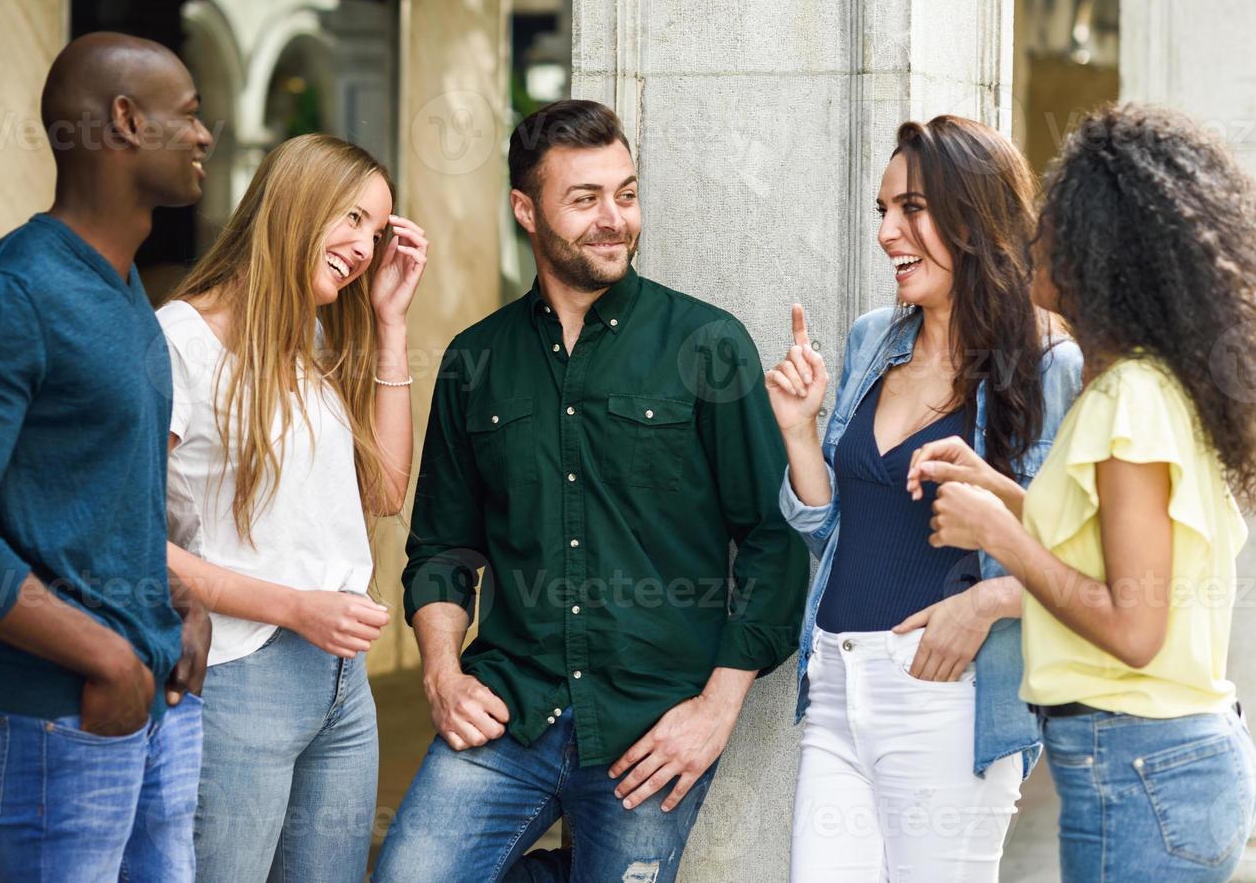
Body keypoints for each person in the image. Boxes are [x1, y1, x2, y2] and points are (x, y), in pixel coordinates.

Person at [372, 99, 809, 883]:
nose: (614, 219)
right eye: (585, 199)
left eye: (626, 193)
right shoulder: (476, 360)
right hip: (509, 709)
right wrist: (442, 675)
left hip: (652, 729)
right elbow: (441, 549)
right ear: (525, 210)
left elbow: (773, 539)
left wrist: (716, 709)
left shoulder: (706, 344)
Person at [0, 32, 215, 882]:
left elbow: (93, 490)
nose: (205, 136)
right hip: (61, 713)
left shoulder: (121, 283)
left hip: (152, 695)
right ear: (126, 122)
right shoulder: (15, 292)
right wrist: (100, 655)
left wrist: (180, 599)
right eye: (189, 116)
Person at [918, 103, 1256, 882]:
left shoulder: (1126, 403)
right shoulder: (1153, 388)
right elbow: (1103, 545)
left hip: (1135, 763)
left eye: (1057, 221)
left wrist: (995, 538)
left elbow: (1133, 625)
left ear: (1105, 251)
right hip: (1151, 763)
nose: (1034, 236)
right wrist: (996, 491)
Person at [770, 116, 1083, 880]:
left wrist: (984, 604)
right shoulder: (873, 338)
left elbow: (1080, 553)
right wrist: (800, 434)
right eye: (882, 211)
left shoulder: (1048, 364)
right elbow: (832, 531)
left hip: (947, 693)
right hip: (835, 683)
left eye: (910, 208)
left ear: (974, 216)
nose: (886, 232)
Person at [155, 133, 427, 881]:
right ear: (294, 204)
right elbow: (130, 540)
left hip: (340, 684)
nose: (365, 246)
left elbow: (384, 491)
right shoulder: (179, 341)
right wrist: (295, 608)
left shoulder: (307, 344)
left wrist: (390, 326)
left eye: (376, 232)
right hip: (239, 675)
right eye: (351, 218)